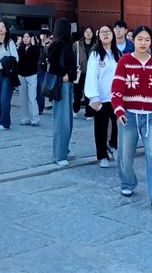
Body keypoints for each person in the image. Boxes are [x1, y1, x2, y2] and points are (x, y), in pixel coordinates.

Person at [111, 25, 152, 206]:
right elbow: (117, 88)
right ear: (133, 40)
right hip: (128, 116)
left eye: (147, 39)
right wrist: (119, 109)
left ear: (151, 42)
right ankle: (127, 182)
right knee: (126, 154)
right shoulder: (125, 61)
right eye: (139, 39)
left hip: (150, 116)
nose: (143, 43)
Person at [84, 24, 120, 167]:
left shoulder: (118, 54)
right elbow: (92, 76)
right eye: (103, 32)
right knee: (101, 127)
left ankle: (113, 145)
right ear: (99, 36)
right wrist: (93, 97)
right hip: (100, 97)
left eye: (108, 32)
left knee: (118, 125)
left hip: (116, 97)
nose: (106, 34)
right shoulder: (95, 54)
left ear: (112, 35)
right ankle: (102, 155)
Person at [47, 18, 78, 166]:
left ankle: (64, 149)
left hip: (68, 84)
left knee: (67, 120)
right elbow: (51, 63)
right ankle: (59, 154)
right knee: (62, 120)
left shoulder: (64, 43)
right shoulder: (58, 43)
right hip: (62, 84)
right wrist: (63, 73)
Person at [0, 21, 18, 131]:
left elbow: (16, 58)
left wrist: (4, 62)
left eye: (3, 26)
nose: (0, 28)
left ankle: (5, 123)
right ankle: (1, 121)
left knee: (4, 100)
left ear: (6, 29)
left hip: (7, 73)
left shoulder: (9, 42)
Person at [17, 32, 41, 126]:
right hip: (21, 74)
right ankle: (25, 118)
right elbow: (19, 58)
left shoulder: (35, 48)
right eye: (24, 37)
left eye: (27, 37)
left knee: (32, 97)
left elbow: (34, 56)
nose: (25, 39)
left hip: (32, 74)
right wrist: (18, 44)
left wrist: (33, 43)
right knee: (23, 98)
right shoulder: (21, 48)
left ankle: (35, 118)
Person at [73, 27, 95, 117]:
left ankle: (89, 113)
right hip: (79, 72)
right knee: (77, 93)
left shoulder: (96, 45)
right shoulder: (77, 44)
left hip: (91, 73)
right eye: (86, 31)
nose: (88, 33)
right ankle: (75, 109)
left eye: (90, 31)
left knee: (89, 94)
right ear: (83, 33)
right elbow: (73, 56)